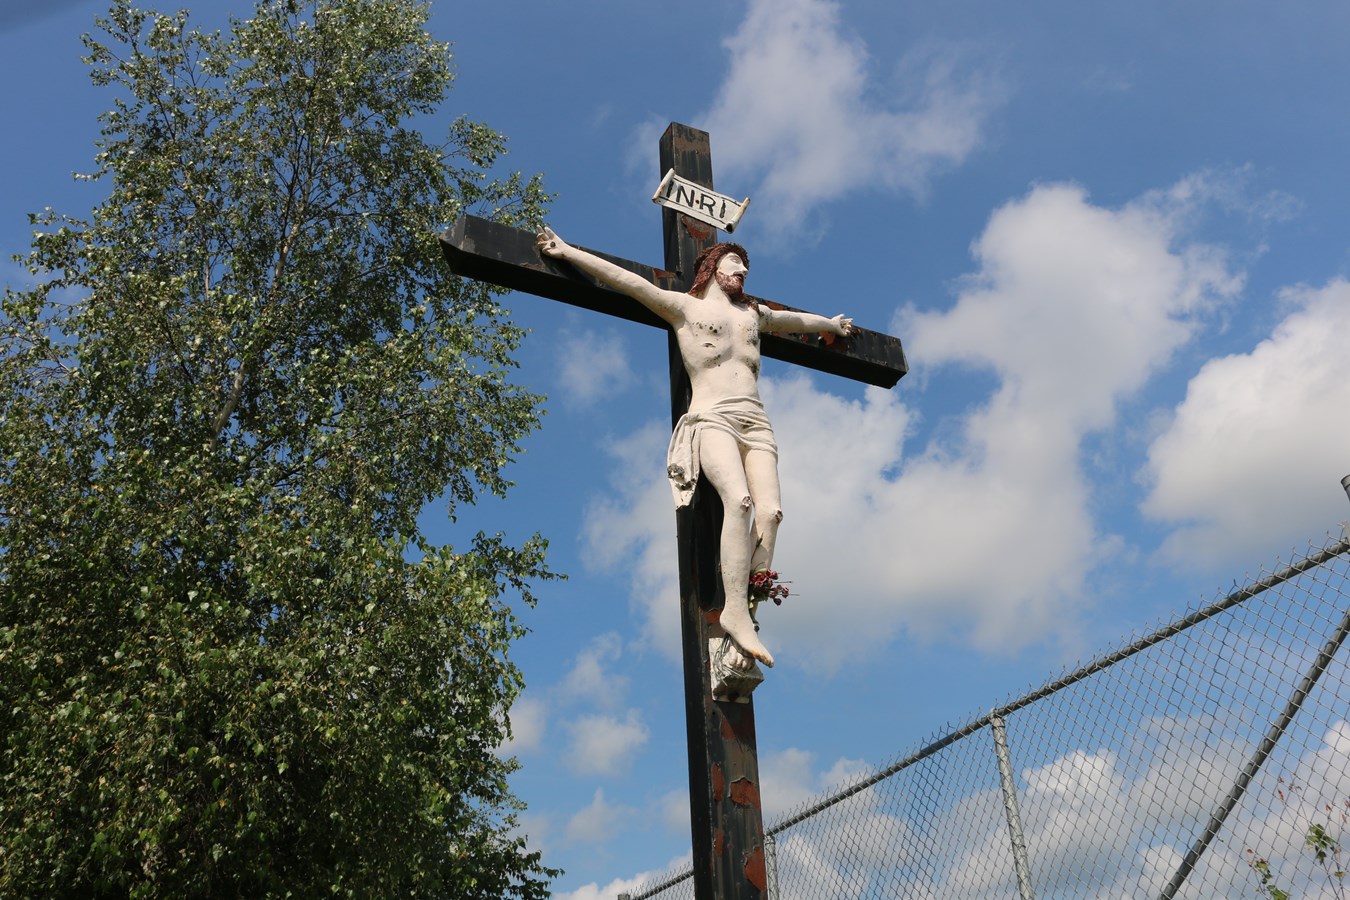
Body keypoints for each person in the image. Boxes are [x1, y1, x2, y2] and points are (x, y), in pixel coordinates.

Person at [536, 226, 853, 668]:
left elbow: (796, 322)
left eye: (745, 265)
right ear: (712, 267)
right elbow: (627, 282)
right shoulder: (684, 308)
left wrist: (831, 325)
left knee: (771, 514)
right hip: (713, 416)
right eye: (733, 262)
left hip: (757, 423)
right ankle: (735, 612)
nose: (742, 269)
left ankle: (752, 603)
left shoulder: (753, 316)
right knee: (738, 501)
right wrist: (568, 252)